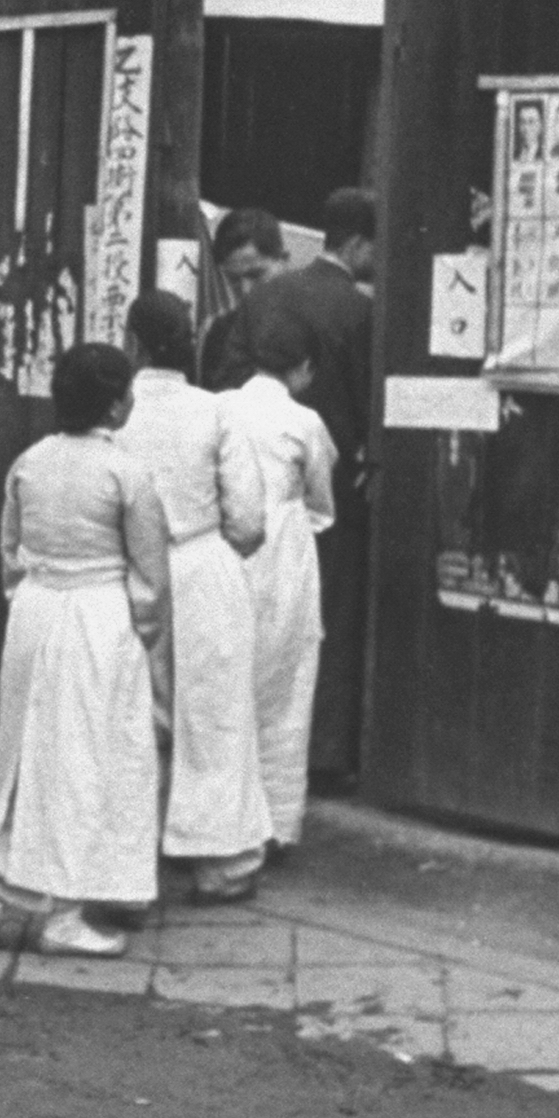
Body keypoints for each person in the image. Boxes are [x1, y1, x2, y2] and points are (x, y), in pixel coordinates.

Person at [0, 342, 172, 960]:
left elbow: (10, 552)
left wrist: (33, 595)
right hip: (99, 615)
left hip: (35, 610)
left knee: (23, 749)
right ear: (113, 407)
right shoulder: (126, 473)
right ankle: (63, 911)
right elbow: (152, 574)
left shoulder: (29, 463)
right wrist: (146, 631)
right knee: (88, 756)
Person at [215, 185, 375, 778]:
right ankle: (325, 758)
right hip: (329, 485)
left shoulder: (266, 299)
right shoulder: (361, 310)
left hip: (255, 488)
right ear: (358, 245)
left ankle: (252, 757)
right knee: (321, 623)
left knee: (256, 632)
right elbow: (368, 407)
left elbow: (227, 383)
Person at [117, 290, 272, 902]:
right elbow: (250, 519)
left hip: (131, 569)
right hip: (206, 563)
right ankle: (219, 861)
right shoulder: (216, 412)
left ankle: (132, 854)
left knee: (135, 709)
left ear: (132, 343)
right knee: (214, 710)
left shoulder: (116, 415)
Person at [218, 306, 338, 850]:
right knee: (285, 686)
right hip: (285, 553)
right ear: (304, 368)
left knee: (221, 683)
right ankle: (274, 822)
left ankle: (221, 820)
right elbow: (321, 503)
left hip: (221, 549)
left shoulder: (218, 407)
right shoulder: (305, 423)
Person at [197, 206, 287, 388]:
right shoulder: (215, 333)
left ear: (283, 261)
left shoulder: (314, 325)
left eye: (256, 275)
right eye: (234, 281)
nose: (246, 290)